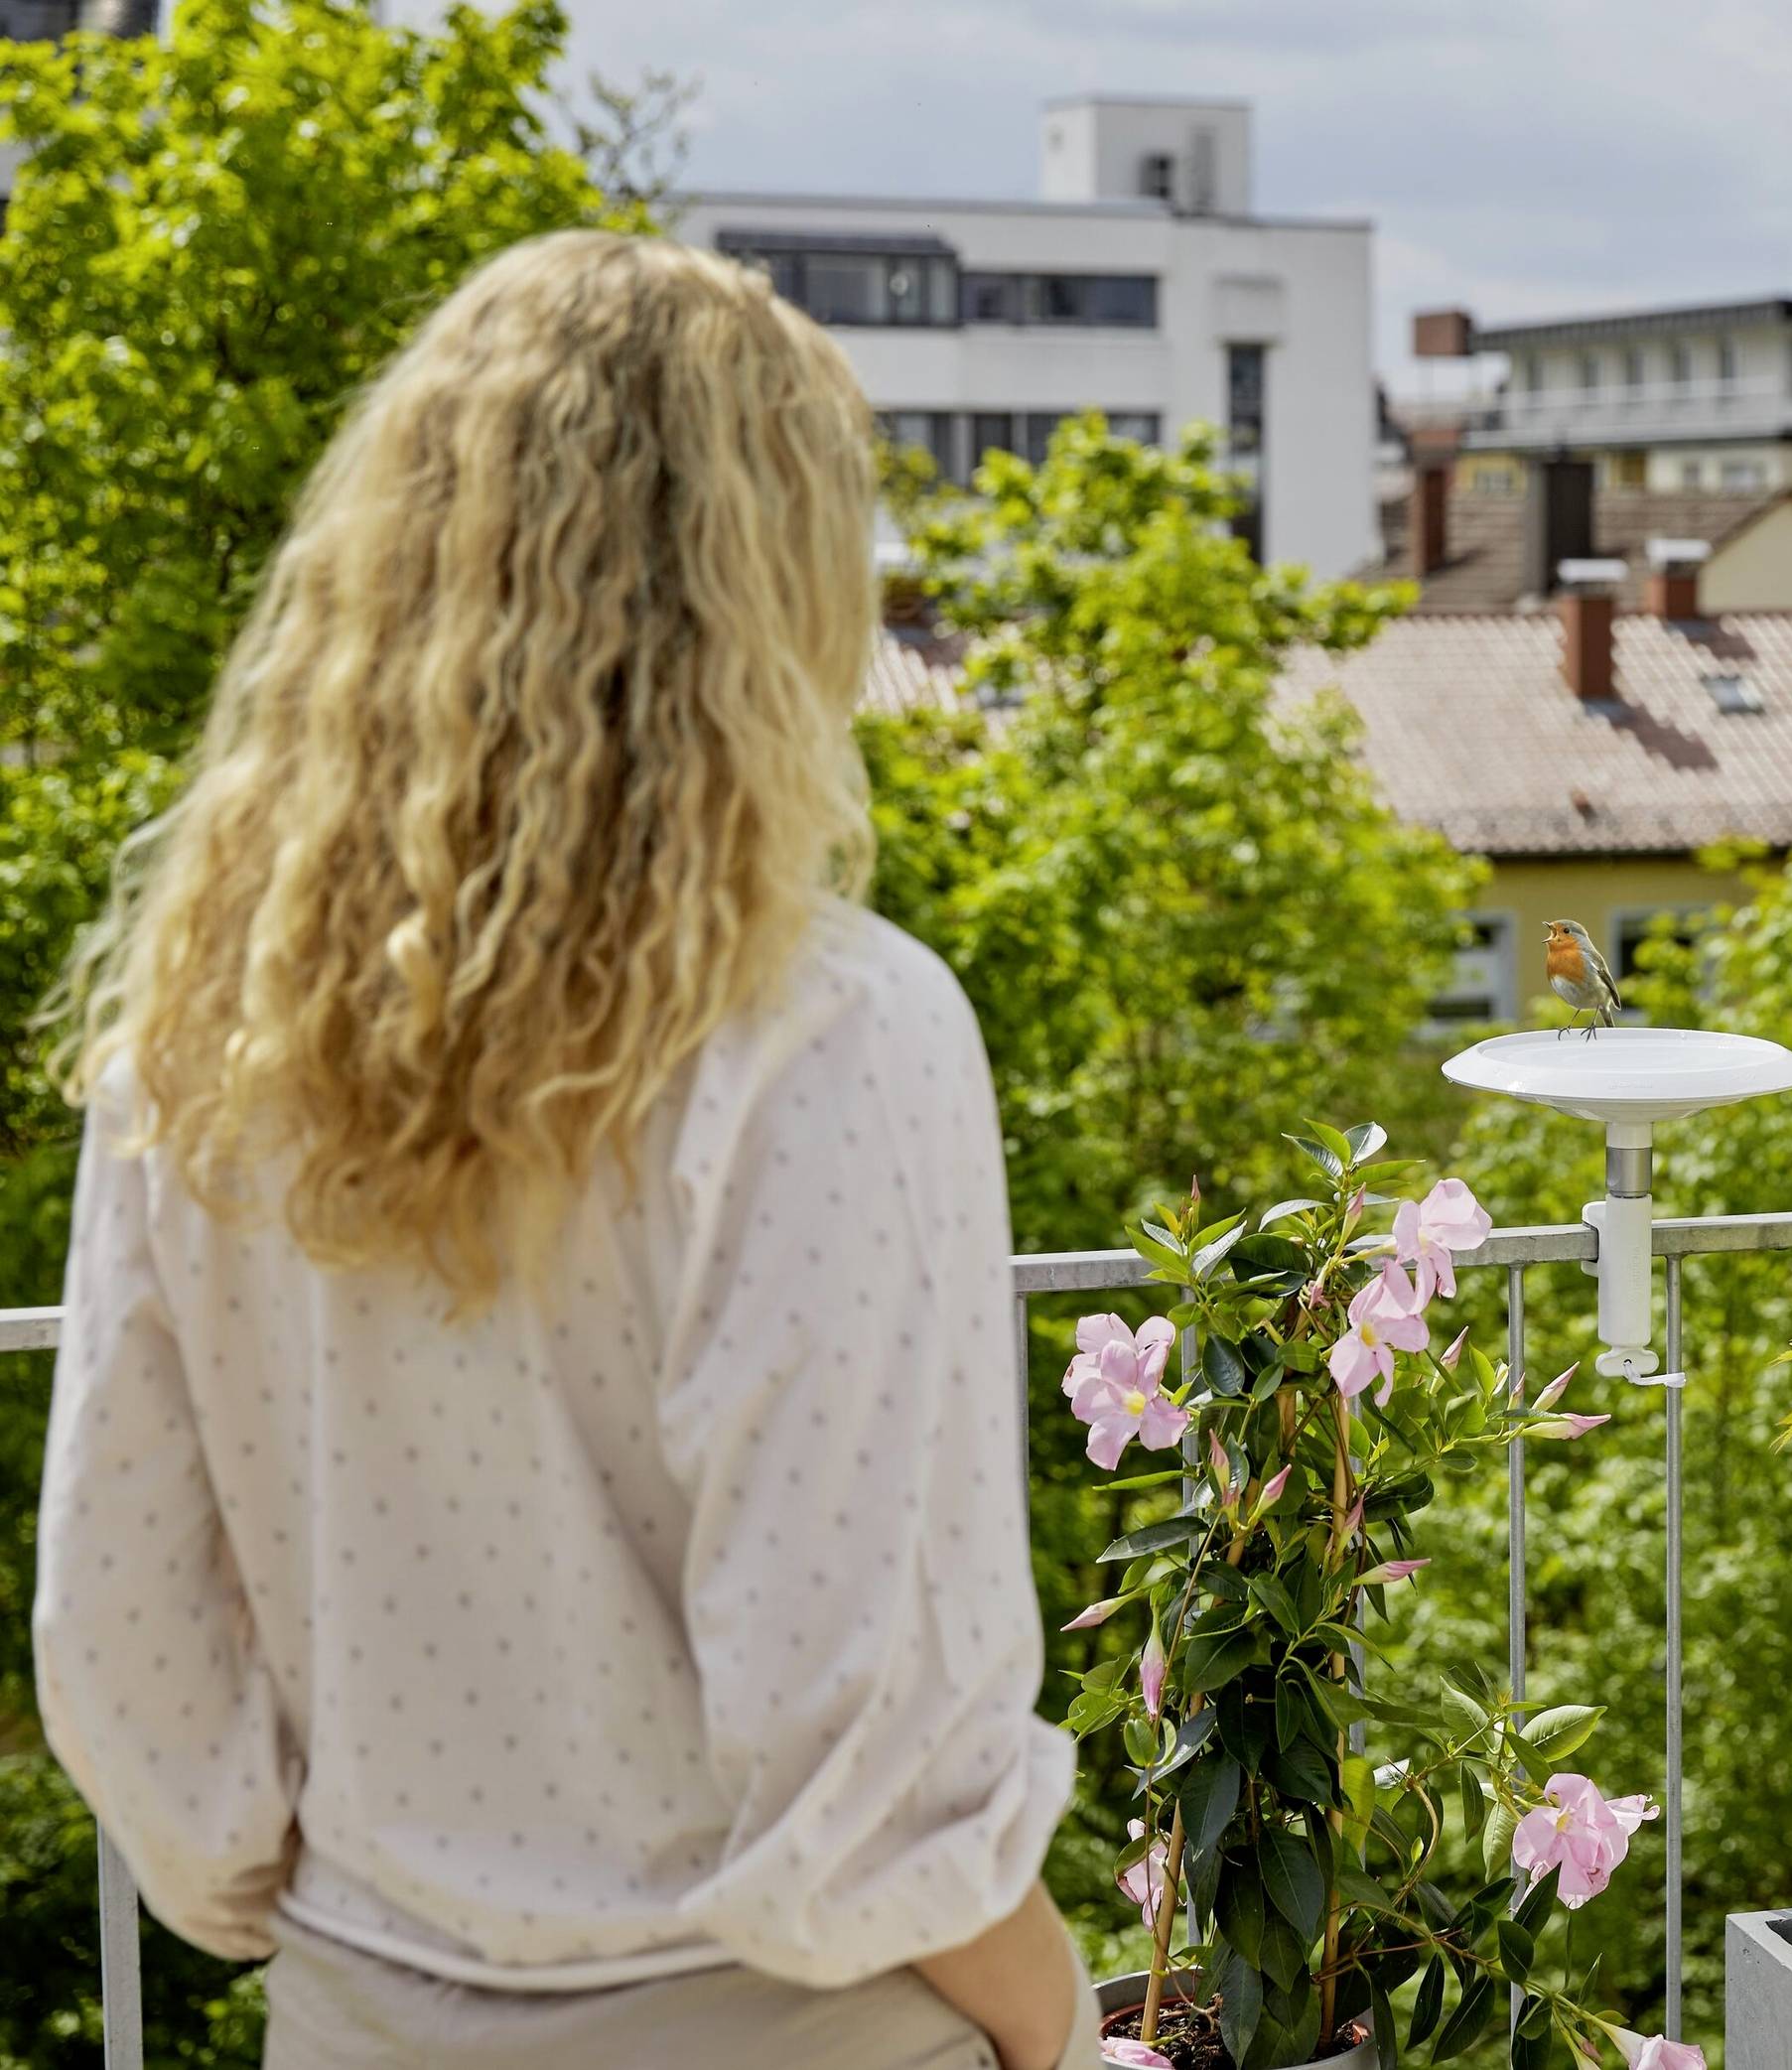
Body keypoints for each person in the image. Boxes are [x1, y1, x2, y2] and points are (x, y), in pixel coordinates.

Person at [30, 231, 1095, 2070]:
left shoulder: (211, 1034)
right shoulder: (828, 1036)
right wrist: (1063, 2027)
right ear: (770, 587)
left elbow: (116, 1624)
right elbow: (877, 1754)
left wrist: (357, 1912)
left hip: (357, 2015)